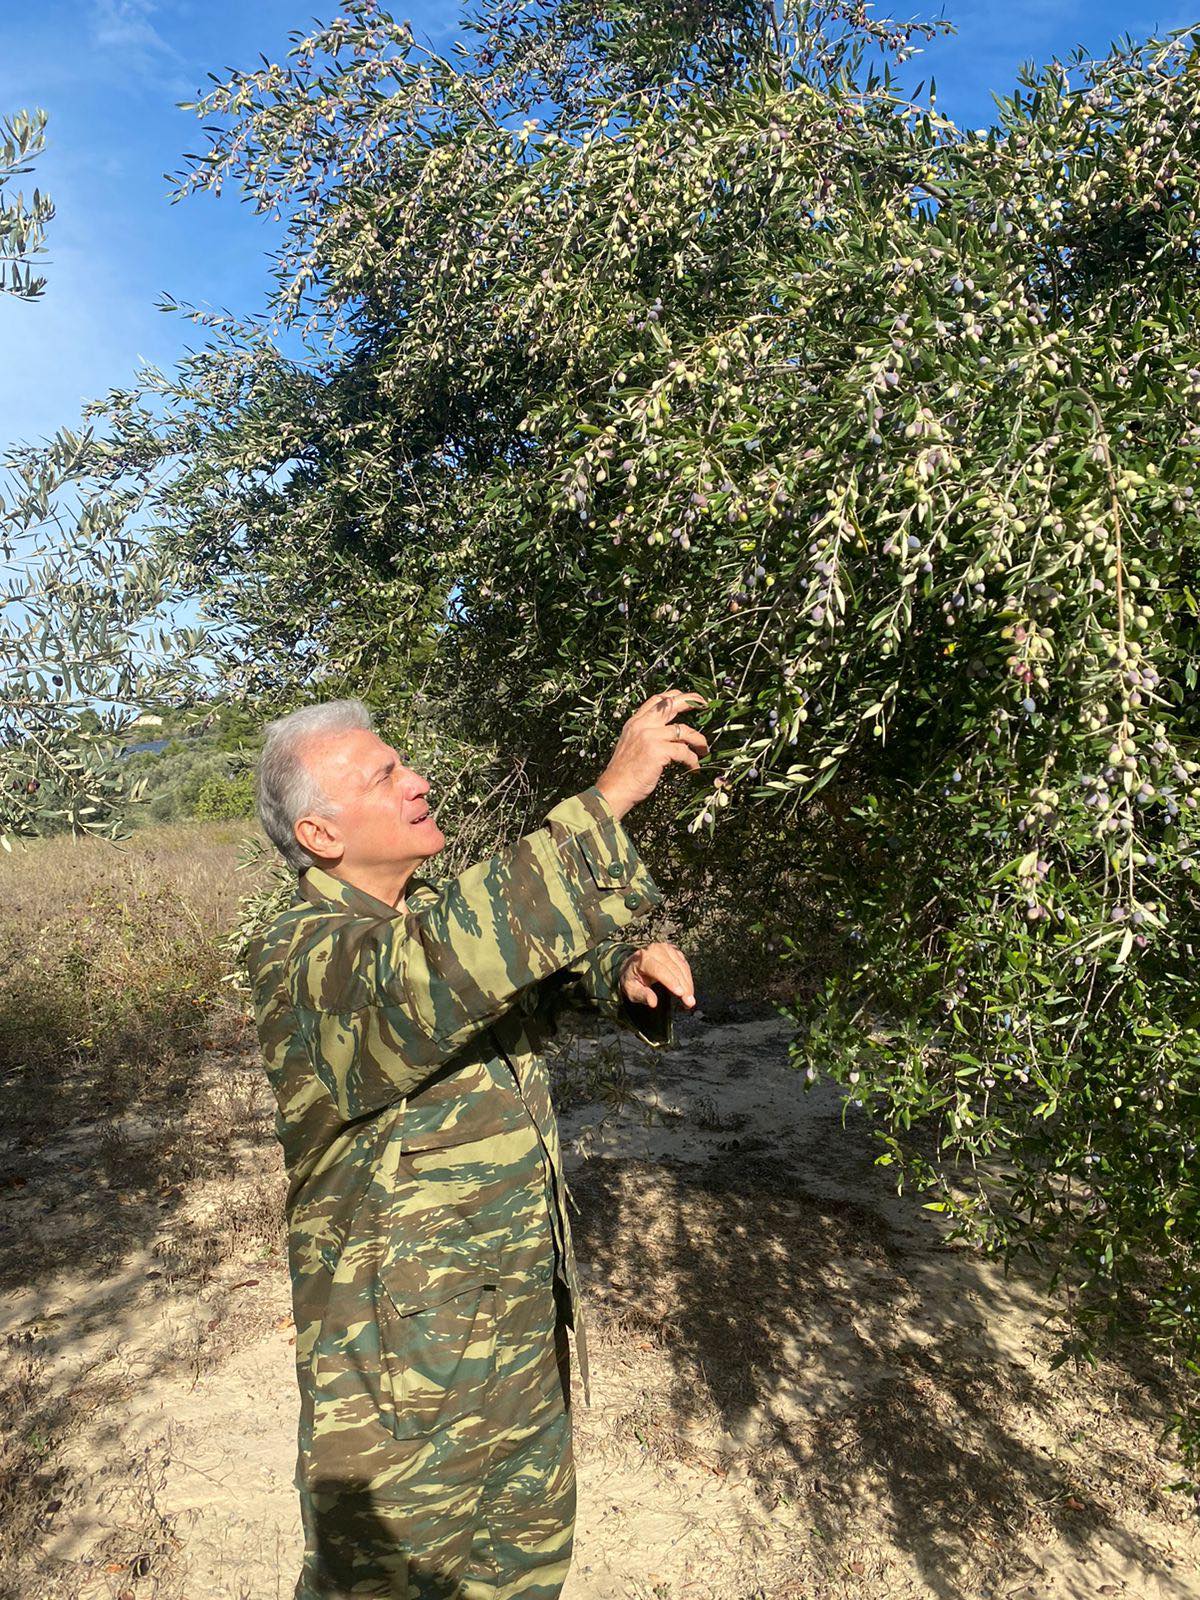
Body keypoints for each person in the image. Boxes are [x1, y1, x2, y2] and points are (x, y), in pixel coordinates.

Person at [247, 688, 708, 1599]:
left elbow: (515, 972)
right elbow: (431, 980)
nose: (416, 782)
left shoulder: (423, 919)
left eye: (404, 763)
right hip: (395, 1389)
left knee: (524, 1578)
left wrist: (623, 973)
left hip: (517, 1351)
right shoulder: (302, 955)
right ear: (320, 837)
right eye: (384, 775)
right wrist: (607, 799)